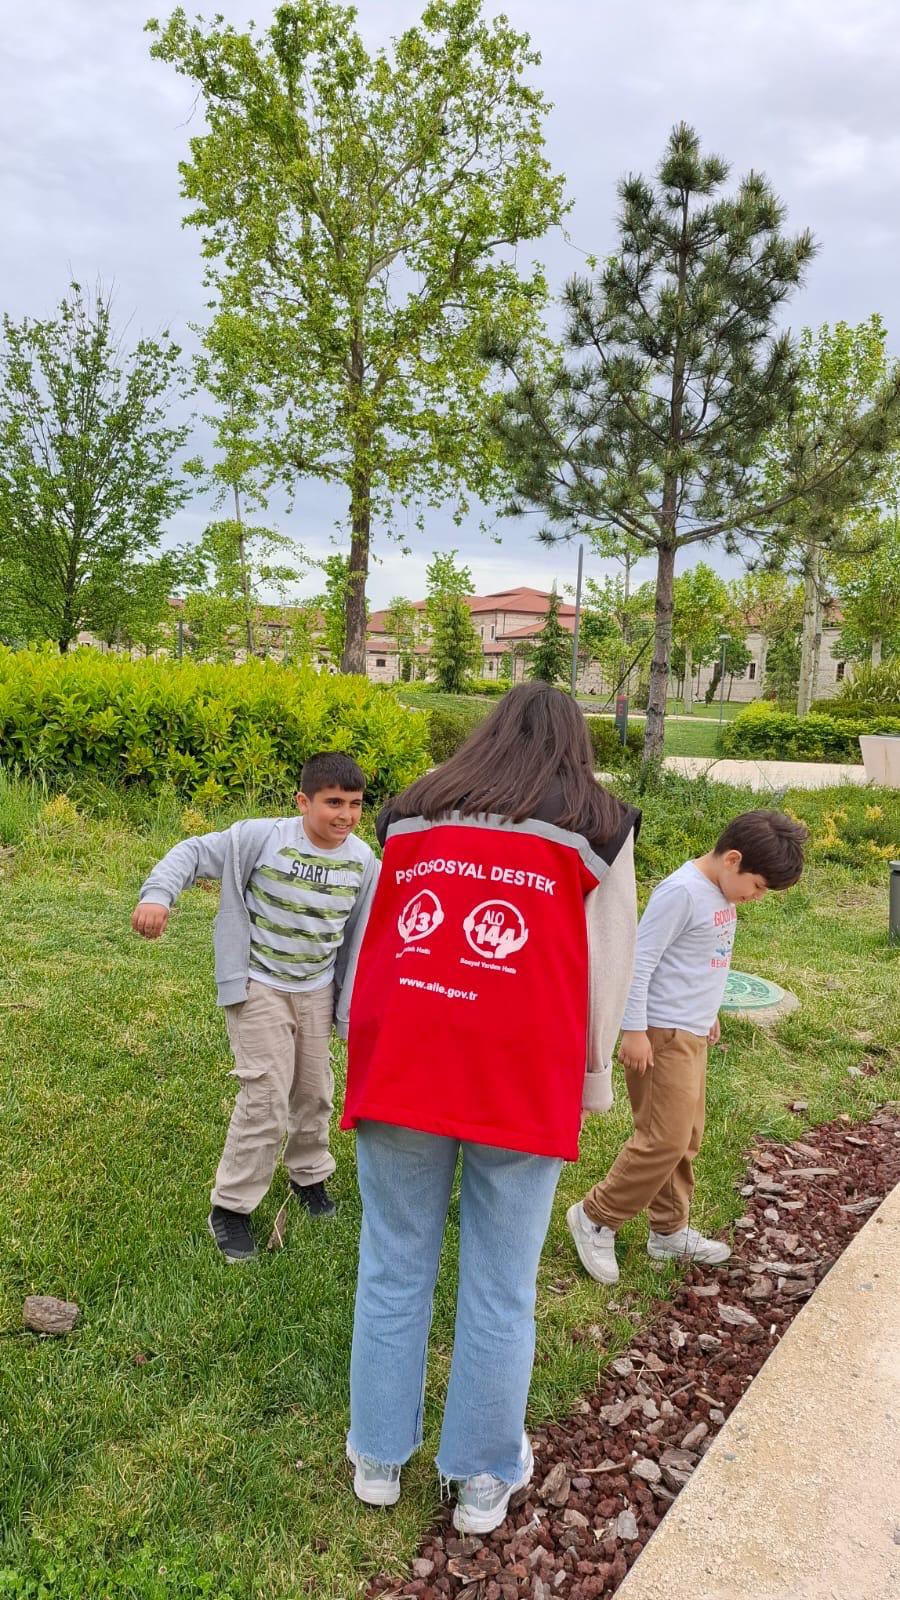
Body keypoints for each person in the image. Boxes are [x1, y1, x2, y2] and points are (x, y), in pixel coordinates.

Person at [340, 684, 640, 1533]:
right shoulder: (597, 820)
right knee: (502, 1285)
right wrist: (592, 1078)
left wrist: (355, 1038)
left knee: (393, 1262)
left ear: (489, 730)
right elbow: (606, 964)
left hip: (404, 1052)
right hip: (521, 1067)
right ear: (574, 742)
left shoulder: (415, 807)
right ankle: (480, 1478)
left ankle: (377, 1457)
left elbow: (378, 933)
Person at [131, 752, 378, 1263]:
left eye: (355, 805)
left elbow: (364, 934)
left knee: (313, 1092)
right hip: (260, 984)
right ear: (303, 801)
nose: (345, 816)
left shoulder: (363, 862)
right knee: (264, 1096)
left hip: (316, 990)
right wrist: (159, 894)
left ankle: (308, 1175)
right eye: (333, 803)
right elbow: (192, 852)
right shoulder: (260, 838)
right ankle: (232, 1208)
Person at [567, 809, 808, 1286]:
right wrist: (633, 1030)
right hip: (661, 1035)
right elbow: (640, 961)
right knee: (663, 1139)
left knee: (686, 1137)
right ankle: (597, 1215)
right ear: (732, 859)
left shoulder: (719, 892)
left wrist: (709, 1011)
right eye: (758, 886)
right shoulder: (680, 893)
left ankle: (669, 1230)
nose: (757, 897)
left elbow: (701, 962)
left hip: (691, 1030)